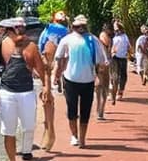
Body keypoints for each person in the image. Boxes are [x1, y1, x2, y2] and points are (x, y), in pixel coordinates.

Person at [0, 18, 43, 161]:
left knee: (29, 125)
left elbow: (41, 69)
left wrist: (47, 89)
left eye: (21, 27)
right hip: (7, 90)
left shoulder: (31, 47)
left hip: (26, 91)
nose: (19, 31)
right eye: (15, 28)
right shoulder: (3, 44)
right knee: (8, 130)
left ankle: (26, 149)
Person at [55, 15, 108, 148]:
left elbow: (102, 60)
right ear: (73, 27)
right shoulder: (66, 40)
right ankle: (74, 135)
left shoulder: (93, 40)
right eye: (78, 26)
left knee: (85, 111)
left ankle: (83, 138)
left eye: (83, 26)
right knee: (72, 111)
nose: (81, 28)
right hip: (70, 79)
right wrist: (56, 75)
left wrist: (100, 75)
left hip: (88, 81)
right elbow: (59, 58)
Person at [37, 11, 69, 152]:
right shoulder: (66, 33)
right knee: (47, 99)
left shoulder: (48, 30)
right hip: (56, 67)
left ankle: (50, 131)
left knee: (47, 99)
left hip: (50, 67)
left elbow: (42, 48)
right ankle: (48, 130)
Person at [95, 24, 113, 121]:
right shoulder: (100, 42)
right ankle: (99, 110)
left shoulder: (101, 42)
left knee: (103, 88)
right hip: (101, 66)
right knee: (100, 88)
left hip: (104, 66)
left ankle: (100, 110)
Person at [110, 20, 130, 103]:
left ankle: (120, 92)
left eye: (117, 30)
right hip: (115, 58)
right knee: (115, 76)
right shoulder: (115, 38)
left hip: (122, 58)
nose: (116, 31)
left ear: (121, 29)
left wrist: (129, 54)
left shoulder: (125, 37)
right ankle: (114, 93)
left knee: (122, 75)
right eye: (115, 30)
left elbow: (128, 46)